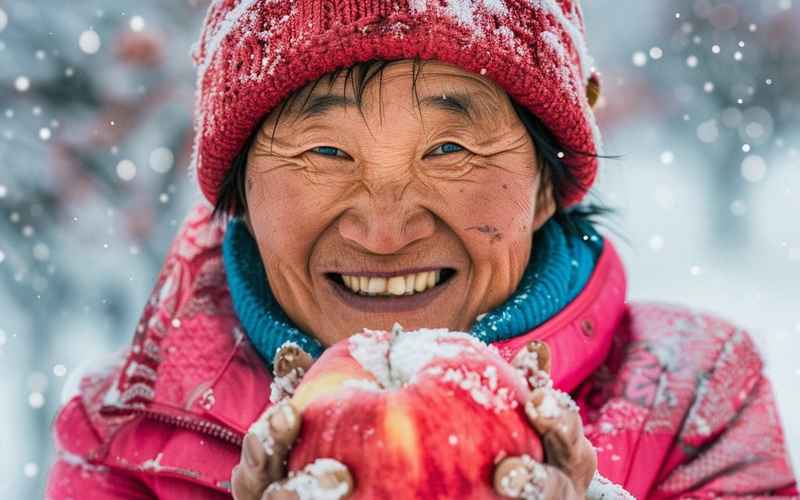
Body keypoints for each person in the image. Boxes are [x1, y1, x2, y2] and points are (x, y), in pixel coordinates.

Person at [46, 1, 797, 499]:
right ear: (240, 192)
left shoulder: (694, 393)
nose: (385, 230)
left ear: (544, 185)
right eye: (323, 153)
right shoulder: (126, 433)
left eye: (448, 148)